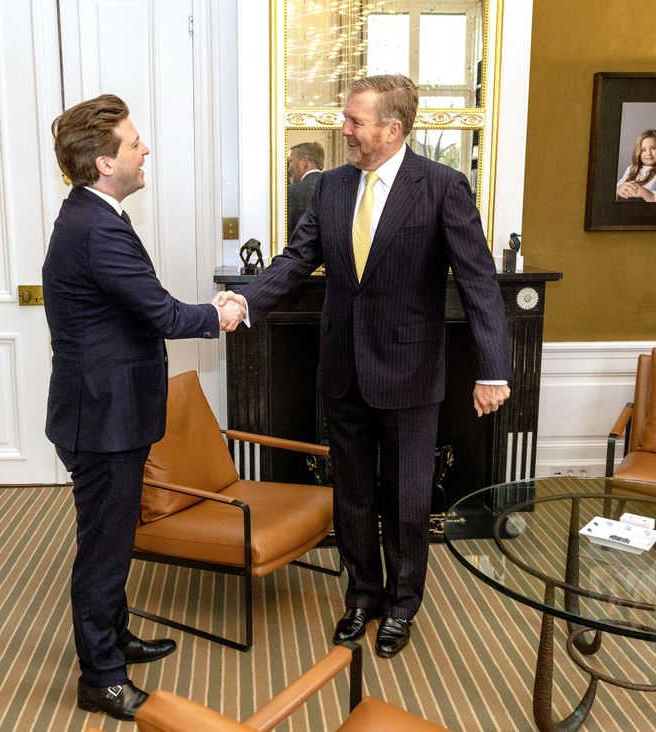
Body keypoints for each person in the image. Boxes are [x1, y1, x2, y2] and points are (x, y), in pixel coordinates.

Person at [224, 74, 511, 659]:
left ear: (392, 128)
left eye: (355, 121)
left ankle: (402, 605)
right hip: (342, 369)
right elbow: (296, 259)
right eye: (346, 119)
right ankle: (362, 596)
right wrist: (245, 301)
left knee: (408, 499)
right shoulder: (328, 188)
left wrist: (493, 370)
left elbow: (480, 284)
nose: (344, 130)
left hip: (409, 374)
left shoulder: (441, 187)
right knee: (351, 495)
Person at [42, 94, 244, 721]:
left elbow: (135, 310)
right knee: (104, 548)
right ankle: (101, 678)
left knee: (112, 538)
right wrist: (222, 313)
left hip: (106, 410)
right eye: (134, 143)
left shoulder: (93, 214)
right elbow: (159, 312)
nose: (145, 148)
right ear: (105, 162)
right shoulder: (97, 226)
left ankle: (115, 635)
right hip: (102, 420)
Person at [616, 129, 656, 202]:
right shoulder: (631, 168)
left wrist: (643, 192)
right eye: (644, 150)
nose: (648, 153)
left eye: (653, 148)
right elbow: (618, 186)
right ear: (638, 152)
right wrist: (620, 188)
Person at [287, 141, 325, 235]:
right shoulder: (336, 188)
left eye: (291, 161)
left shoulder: (293, 192)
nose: (289, 168)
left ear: (304, 162)